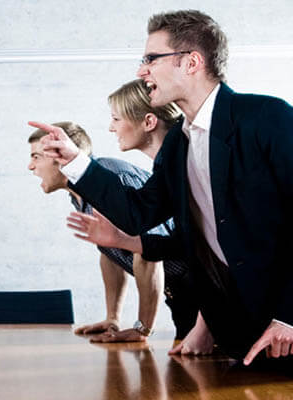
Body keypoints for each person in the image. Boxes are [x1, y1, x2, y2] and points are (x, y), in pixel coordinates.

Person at [32, 9, 293, 365]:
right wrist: (76, 161)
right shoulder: (178, 145)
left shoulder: (267, 118)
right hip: (242, 341)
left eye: (151, 59)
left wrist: (288, 317)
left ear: (191, 62)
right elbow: (138, 213)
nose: (142, 71)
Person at [28, 119, 195, 343]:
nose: (31, 166)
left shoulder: (110, 176)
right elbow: (111, 251)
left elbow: (148, 255)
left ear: (59, 154)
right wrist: (112, 318)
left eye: (36, 156)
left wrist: (142, 329)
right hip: (178, 296)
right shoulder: (79, 193)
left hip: (203, 293)